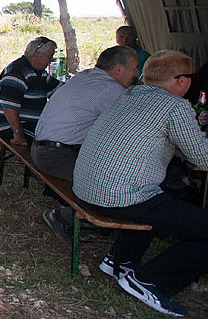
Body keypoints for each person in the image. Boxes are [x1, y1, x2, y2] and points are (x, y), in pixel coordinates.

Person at [73, 50, 208, 317]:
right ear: (182, 80)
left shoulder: (131, 95)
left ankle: (119, 260)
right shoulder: (176, 106)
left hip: (87, 187)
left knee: (158, 193)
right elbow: (203, 158)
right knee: (204, 227)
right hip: (118, 196)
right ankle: (149, 281)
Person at [34, 46, 138, 240]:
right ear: (118, 69)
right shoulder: (110, 88)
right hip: (55, 155)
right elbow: (133, 127)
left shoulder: (85, 76)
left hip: (44, 148)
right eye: (134, 68)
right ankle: (62, 217)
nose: (137, 74)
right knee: (109, 184)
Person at [0, 36, 62, 146]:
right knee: (57, 142)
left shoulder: (39, 73)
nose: (52, 60)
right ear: (37, 54)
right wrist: (18, 134)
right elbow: (9, 108)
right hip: (10, 128)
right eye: (50, 56)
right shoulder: (16, 73)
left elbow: (61, 91)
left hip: (29, 124)